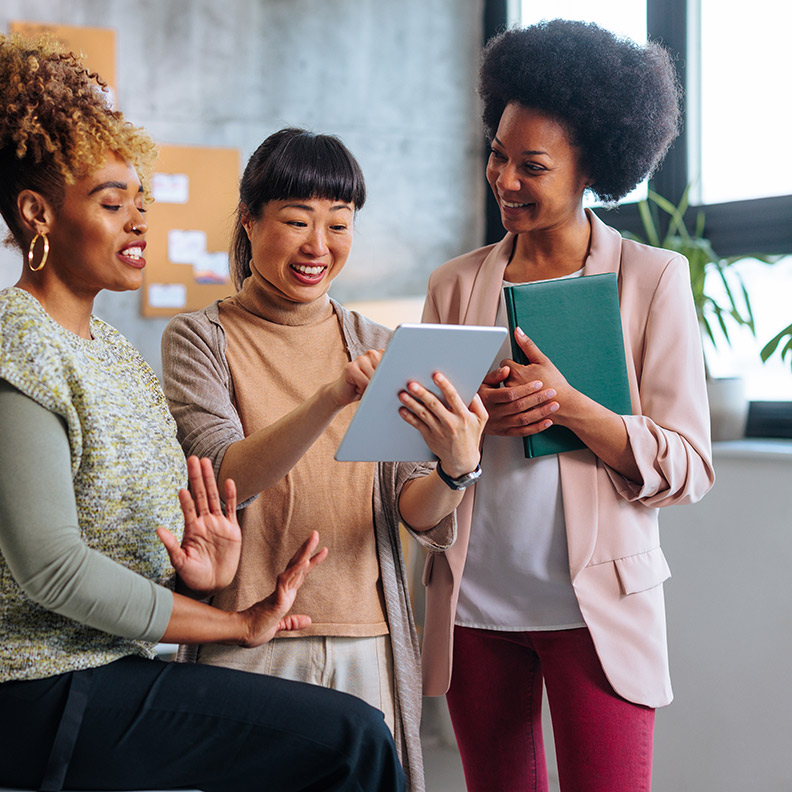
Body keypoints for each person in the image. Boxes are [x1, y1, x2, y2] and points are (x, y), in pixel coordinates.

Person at [0, 34, 406, 792]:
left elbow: (162, 524)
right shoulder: (17, 342)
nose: (138, 222)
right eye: (112, 203)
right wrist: (233, 621)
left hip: (112, 667)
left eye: (141, 203)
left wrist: (202, 572)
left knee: (351, 736)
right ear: (36, 214)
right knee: (353, 737)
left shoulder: (113, 353)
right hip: (42, 686)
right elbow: (52, 570)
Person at [419, 19, 716, 792]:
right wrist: (468, 425)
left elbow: (689, 465)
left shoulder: (650, 279)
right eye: (498, 154)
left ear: (593, 168)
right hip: (476, 610)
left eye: (532, 166)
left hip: (598, 614)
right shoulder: (455, 285)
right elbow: (419, 462)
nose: (505, 179)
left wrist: (572, 408)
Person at [160, 127, 487, 792]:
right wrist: (330, 397)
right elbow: (226, 478)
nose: (319, 246)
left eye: (339, 224)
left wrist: (456, 468)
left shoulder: (376, 340)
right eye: (296, 221)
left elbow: (413, 507)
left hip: (369, 638)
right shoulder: (201, 338)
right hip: (247, 641)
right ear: (249, 222)